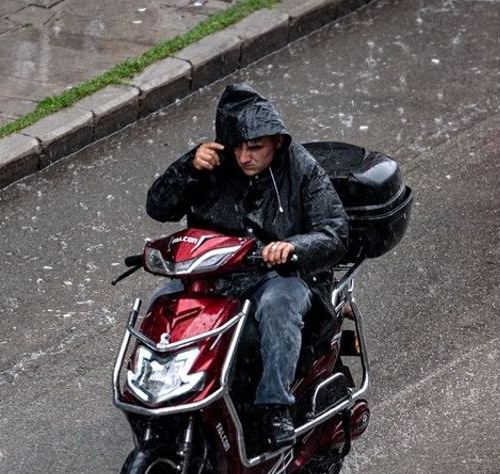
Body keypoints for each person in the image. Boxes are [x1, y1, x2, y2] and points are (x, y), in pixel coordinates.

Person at [146, 83, 349, 450]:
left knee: (277, 306)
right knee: (163, 305)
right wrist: (186, 167)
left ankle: (275, 407)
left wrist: (293, 248)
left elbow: (335, 232)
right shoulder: (210, 164)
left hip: (281, 277)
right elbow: (158, 208)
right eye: (237, 147)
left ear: (277, 142)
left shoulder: (302, 168)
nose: (244, 157)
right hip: (214, 277)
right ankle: (156, 392)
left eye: (255, 147)